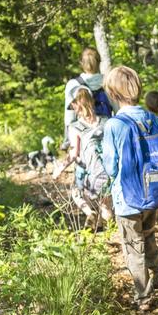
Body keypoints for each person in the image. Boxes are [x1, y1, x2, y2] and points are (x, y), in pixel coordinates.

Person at [101, 65, 158, 311]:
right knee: (149, 234)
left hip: (128, 197)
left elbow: (111, 167)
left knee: (133, 245)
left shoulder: (115, 125)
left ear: (112, 92)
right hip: (154, 191)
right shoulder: (153, 118)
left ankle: (143, 296)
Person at [54, 85, 113, 225]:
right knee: (106, 207)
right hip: (109, 172)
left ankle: (90, 213)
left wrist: (59, 168)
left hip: (91, 176)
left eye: (73, 105)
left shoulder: (75, 127)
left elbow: (73, 153)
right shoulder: (106, 121)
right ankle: (110, 230)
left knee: (76, 192)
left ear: (76, 104)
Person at [62, 47, 109, 146]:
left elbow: (69, 118)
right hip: (107, 131)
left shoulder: (73, 84)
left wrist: (68, 141)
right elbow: (118, 110)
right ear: (99, 62)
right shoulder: (108, 81)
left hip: (83, 134)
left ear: (81, 63)